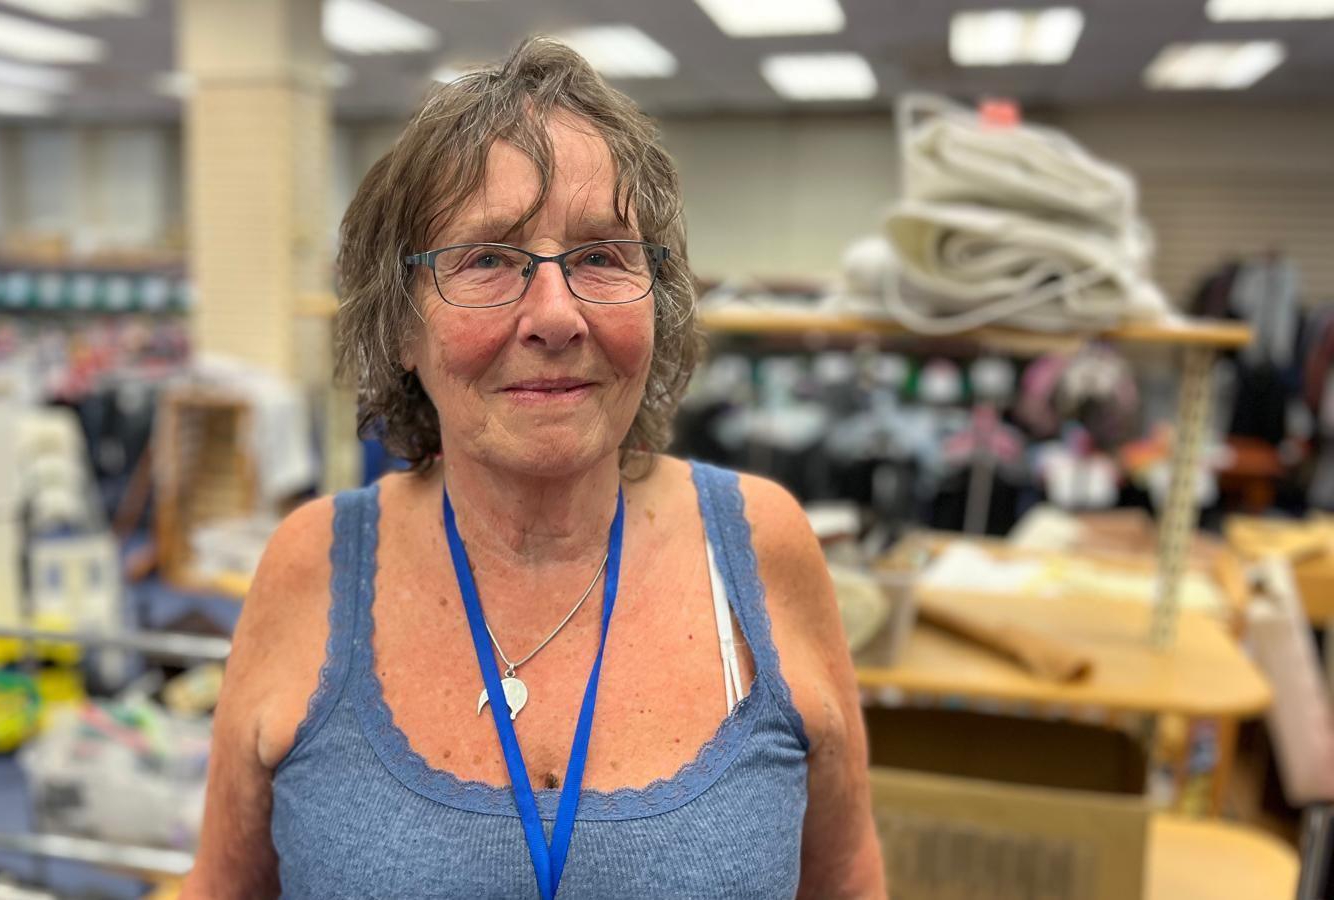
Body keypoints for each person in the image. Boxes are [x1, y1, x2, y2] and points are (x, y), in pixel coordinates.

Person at [182, 36, 883, 900]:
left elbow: (848, 880)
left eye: (600, 257)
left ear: (656, 304)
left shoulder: (762, 550)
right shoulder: (311, 570)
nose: (556, 316)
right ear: (402, 327)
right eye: (486, 260)